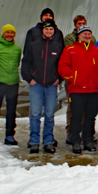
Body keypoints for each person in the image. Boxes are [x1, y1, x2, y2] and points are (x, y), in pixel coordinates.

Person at [58, 25, 98, 154]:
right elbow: (63, 66)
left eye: (89, 34)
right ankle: (75, 141)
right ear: (79, 36)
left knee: (90, 116)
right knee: (76, 116)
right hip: (77, 90)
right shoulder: (70, 50)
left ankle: (88, 140)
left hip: (94, 89)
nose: (87, 36)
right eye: (84, 34)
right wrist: (72, 77)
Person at [21, 20, 63, 153]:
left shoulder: (58, 47)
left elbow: (62, 65)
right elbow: (26, 63)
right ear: (42, 31)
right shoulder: (34, 45)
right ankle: (34, 141)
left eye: (51, 29)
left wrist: (58, 79)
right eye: (46, 29)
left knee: (49, 114)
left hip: (51, 85)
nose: (48, 31)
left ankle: (48, 141)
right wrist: (29, 79)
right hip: (36, 84)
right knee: (35, 114)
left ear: (53, 31)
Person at [0, 24, 22, 145]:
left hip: (13, 82)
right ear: (3, 33)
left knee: (11, 110)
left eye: (12, 32)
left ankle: (9, 135)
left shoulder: (17, 49)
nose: (9, 35)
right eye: (7, 32)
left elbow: (17, 63)